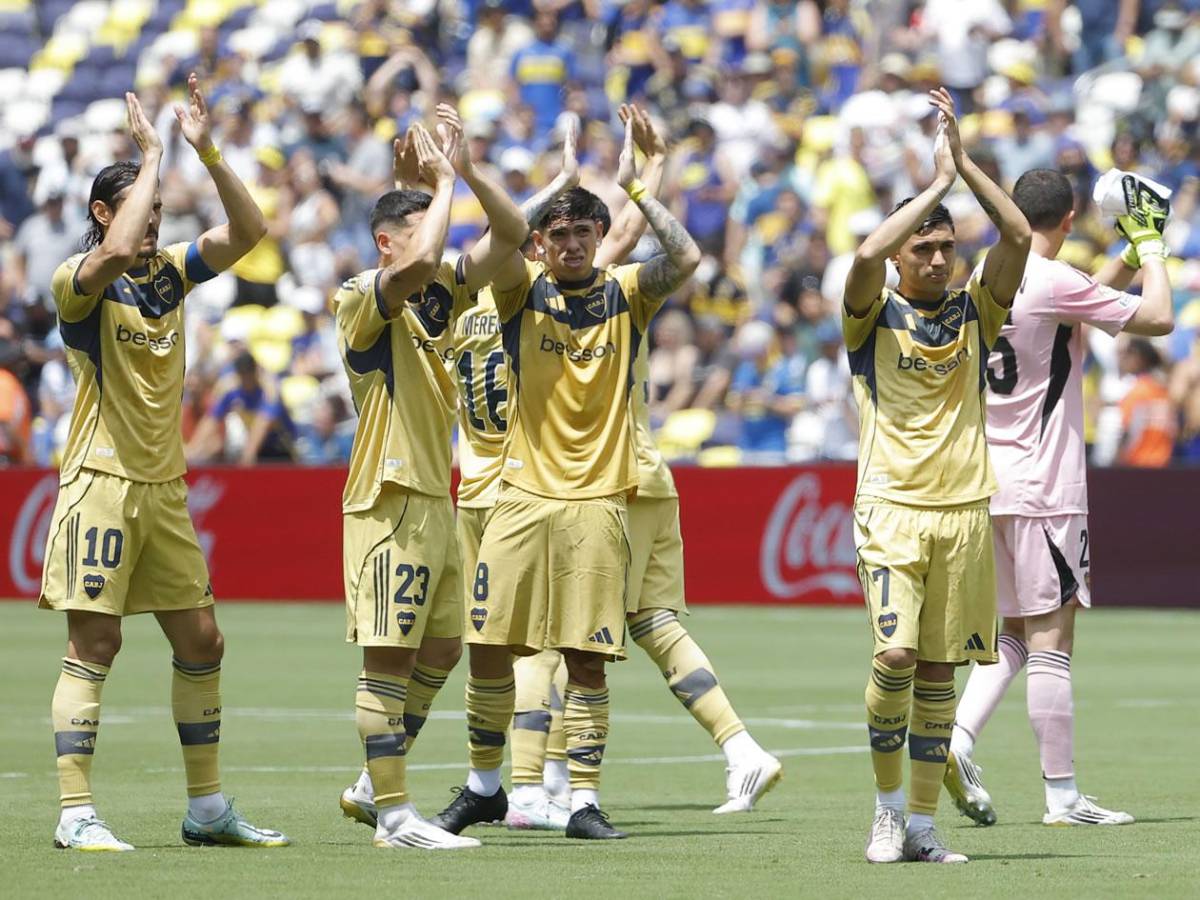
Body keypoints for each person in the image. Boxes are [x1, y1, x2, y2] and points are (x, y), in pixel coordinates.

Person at [428, 110, 700, 841]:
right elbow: (506, 234)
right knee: (492, 648)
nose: (574, 243)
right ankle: (494, 787)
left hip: (597, 504)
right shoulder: (521, 295)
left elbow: (689, 258)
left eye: (586, 231)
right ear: (543, 243)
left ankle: (581, 800)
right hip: (518, 498)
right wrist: (481, 173)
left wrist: (640, 192)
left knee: (585, 660)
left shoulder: (626, 293)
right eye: (561, 233)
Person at [38, 78, 287, 852]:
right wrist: (151, 152)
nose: (154, 223)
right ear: (106, 212)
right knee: (96, 646)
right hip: (100, 486)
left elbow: (250, 229)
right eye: (141, 208)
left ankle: (206, 810)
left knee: (203, 642)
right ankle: (75, 812)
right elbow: (113, 252)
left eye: (158, 211)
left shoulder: (172, 273)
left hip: (163, 488)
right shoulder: (79, 283)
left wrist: (205, 151)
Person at [945, 168, 1174, 828]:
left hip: (989, 479)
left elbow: (1086, 299)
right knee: (1054, 637)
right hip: (1047, 484)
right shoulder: (1053, 281)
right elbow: (1155, 317)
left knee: (1014, 633)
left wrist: (1126, 255)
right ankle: (1062, 796)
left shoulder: (987, 274)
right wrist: (1153, 246)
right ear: (1069, 219)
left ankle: (958, 743)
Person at [332, 108, 530, 851]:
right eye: (419, 226)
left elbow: (511, 236)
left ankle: (369, 784)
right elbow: (417, 263)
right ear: (387, 241)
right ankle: (393, 816)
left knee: (444, 648)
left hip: (434, 498)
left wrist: (469, 170)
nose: (436, 240)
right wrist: (440, 181)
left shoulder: (435, 293)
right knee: (387, 659)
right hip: (387, 498)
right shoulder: (363, 294)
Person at [842, 88, 1031, 864]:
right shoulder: (869, 312)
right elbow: (859, 259)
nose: (936, 257)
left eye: (945, 246)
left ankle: (922, 824)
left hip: (963, 511)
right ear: (899, 256)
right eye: (921, 248)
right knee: (894, 657)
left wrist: (964, 169)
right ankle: (887, 812)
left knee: (939, 675)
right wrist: (931, 188)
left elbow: (1017, 233)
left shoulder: (974, 311)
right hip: (890, 506)